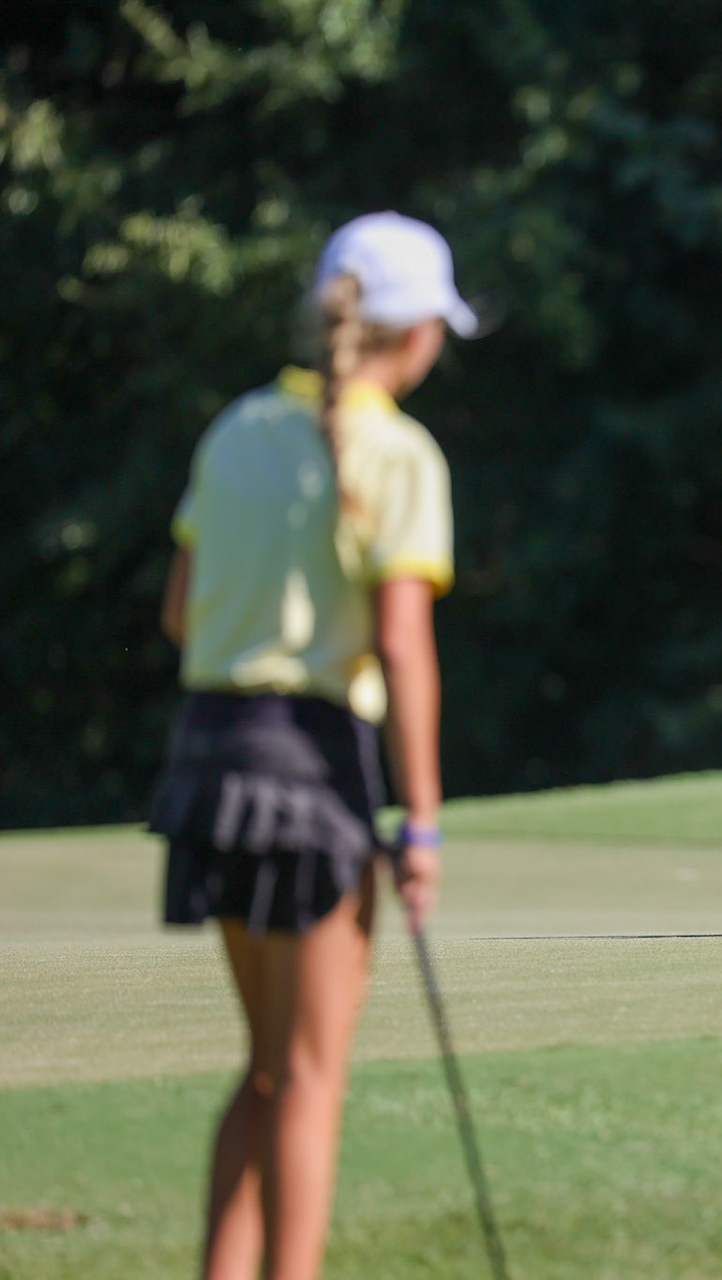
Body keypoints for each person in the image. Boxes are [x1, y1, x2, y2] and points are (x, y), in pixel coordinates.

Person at [148, 211, 477, 1280]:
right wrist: (421, 820)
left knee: (263, 1069)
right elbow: (401, 647)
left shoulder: (237, 426)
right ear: (420, 331)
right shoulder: (399, 452)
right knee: (310, 1073)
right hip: (311, 767)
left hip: (208, 760)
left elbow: (182, 614)